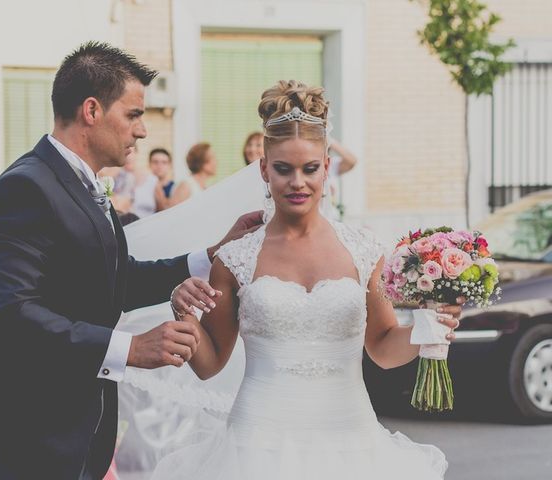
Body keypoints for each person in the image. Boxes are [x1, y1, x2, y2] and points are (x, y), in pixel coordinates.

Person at [0, 41, 260, 480]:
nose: (142, 131)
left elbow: (114, 280)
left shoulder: (85, 184)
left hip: (75, 438)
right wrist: (130, 348)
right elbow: (12, 317)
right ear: (92, 111)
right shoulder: (23, 190)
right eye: (134, 114)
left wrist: (210, 257)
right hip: (21, 445)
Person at [147, 80, 463, 479]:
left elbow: (382, 348)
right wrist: (185, 313)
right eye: (283, 169)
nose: (297, 182)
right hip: (256, 447)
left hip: (352, 443)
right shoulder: (235, 258)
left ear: (327, 167)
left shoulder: (363, 249)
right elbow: (209, 365)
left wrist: (429, 326)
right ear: (263, 169)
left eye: (310, 169)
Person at [167, 142, 217, 207]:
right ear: (203, 164)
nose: (216, 162)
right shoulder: (186, 186)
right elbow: (173, 214)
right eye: (213, 158)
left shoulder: (205, 187)